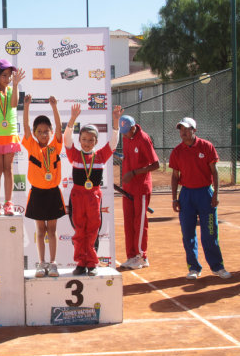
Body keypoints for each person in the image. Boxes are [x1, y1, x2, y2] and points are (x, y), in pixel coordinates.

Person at [169, 117, 231, 280]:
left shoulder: (206, 146)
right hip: (186, 195)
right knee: (188, 233)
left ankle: (217, 267)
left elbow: (214, 172)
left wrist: (216, 193)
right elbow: (175, 176)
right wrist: (175, 198)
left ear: (194, 130)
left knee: (210, 233)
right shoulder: (177, 151)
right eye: (181, 129)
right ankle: (194, 268)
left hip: (205, 194)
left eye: (186, 129)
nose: (183, 132)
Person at [64, 104, 119, 276]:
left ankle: (92, 263)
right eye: (84, 139)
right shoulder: (74, 155)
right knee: (80, 229)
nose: (87, 143)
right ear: (80, 140)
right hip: (78, 195)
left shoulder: (101, 155)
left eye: (91, 140)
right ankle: (81, 263)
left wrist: (115, 123)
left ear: (96, 141)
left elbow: (113, 142)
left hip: (93, 196)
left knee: (93, 229)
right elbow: (66, 139)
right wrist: (72, 120)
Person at [22, 95, 65, 277]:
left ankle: (53, 263)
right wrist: (26, 107)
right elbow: (24, 128)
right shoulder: (31, 145)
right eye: (39, 131)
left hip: (53, 194)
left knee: (52, 230)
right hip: (37, 194)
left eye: (46, 131)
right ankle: (41, 263)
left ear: (51, 132)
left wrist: (54, 107)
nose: (43, 134)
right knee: (40, 231)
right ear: (34, 133)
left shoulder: (55, 146)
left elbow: (59, 130)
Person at [115, 109, 160, 270]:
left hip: (141, 188)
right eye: (123, 133)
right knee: (128, 222)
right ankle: (132, 256)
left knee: (139, 223)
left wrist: (134, 172)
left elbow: (156, 164)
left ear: (134, 127)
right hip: (128, 187)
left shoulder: (144, 139)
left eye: (127, 132)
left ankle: (142, 256)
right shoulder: (126, 138)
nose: (125, 135)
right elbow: (130, 157)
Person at [0, 54, 25, 216]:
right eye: (4, 75)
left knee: (8, 170)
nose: (7, 78)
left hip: (10, 134)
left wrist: (15, 85)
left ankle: (8, 203)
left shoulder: (11, 90)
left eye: (9, 75)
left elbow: (14, 104)